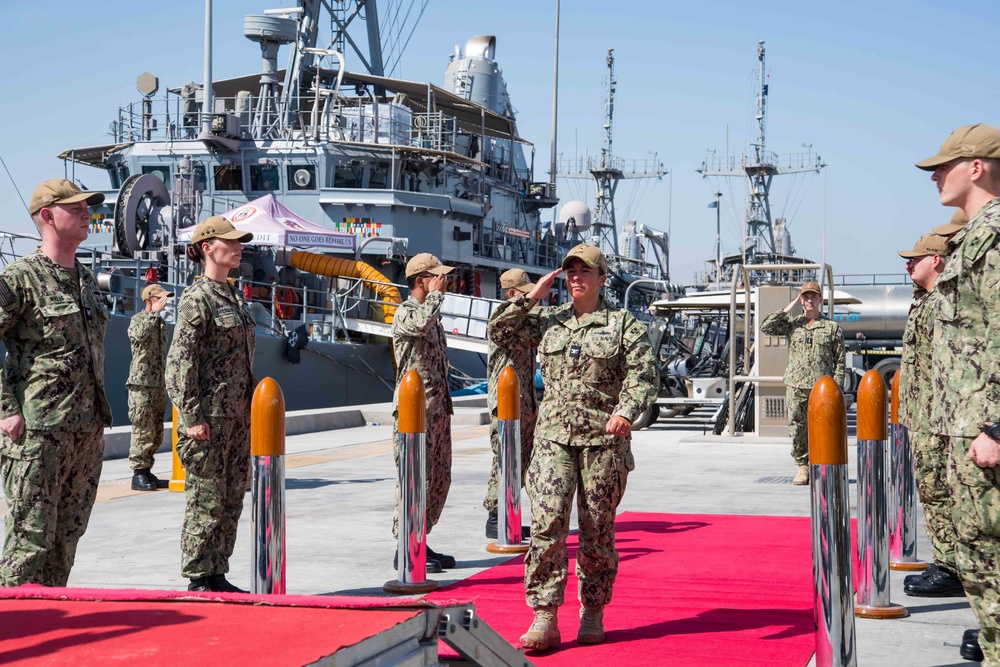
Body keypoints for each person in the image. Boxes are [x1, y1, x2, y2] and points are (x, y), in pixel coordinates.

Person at [488, 243, 657, 651]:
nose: (576, 277)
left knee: (597, 530)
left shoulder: (623, 325)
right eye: (570, 271)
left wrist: (626, 411)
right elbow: (499, 332)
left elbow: (644, 375)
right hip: (552, 440)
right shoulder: (548, 320)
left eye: (585, 271)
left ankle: (593, 611)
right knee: (547, 526)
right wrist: (533, 295)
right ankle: (544, 616)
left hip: (603, 441)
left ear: (602, 278)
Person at [0, 178, 112, 586]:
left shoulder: (84, 279)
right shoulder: (20, 279)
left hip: (84, 435)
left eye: (88, 207)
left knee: (65, 541)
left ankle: (47, 622)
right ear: (47, 216)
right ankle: (9, 631)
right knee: (28, 545)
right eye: (77, 208)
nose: (87, 214)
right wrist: (6, 411)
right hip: (39, 435)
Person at [916, 123, 1000, 663]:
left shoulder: (994, 235)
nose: (935, 176)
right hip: (959, 423)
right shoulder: (973, 235)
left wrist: (997, 425)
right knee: (976, 550)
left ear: (978, 168)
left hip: (983, 427)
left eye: (945, 165)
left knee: (989, 552)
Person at [166, 216, 256, 593]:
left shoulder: (232, 296)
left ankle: (218, 571)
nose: (238, 248)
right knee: (206, 499)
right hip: (209, 419)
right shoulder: (197, 298)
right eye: (230, 242)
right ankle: (199, 576)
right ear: (207, 248)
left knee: (232, 496)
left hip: (237, 417)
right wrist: (191, 418)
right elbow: (179, 364)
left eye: (239, 243)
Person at [896, 232, 964, 598]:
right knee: (931, 491)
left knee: (939, 492)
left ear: (936, 260)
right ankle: (947, 561)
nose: (909, 263)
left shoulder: (940, 303)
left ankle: (950, 568)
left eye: (916, 258)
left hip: (936, 419)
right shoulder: (924, 300)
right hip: (923, 415)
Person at [390, 253, 457, 573]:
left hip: (437, 410)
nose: (444, 282)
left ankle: (420, 538)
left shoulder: (433, 314)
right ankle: (405, 545)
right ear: (421, 281)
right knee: (414, 480)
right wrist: (437, 297)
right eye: (437, 277)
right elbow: (418, 325)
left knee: (438, 479)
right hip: (413, 414)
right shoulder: (406, 312)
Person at [759, 281, 845, 486]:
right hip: (796, 386)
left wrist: (836, 389)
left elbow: (840, 361)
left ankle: (823, 465)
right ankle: (803, 467)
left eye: (813, 296)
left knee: (824, 427)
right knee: (797, 428)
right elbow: (766, 326)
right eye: (805, 297)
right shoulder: (793, 325)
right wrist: (788, 307)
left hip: (821, 388)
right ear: (801, 300)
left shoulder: (831, 328)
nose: (809, 300)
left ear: (819, 300)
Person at [484, 268, 538, 539]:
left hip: (525, 405)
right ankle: (496, 517)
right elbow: (503, 327)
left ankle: (509, 512)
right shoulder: (502, 317)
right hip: (506, 407)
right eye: (526, 294)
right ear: (513, 294)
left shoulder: (525, 321)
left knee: (520, 462)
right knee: (504, 461)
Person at [127, 283, 174, 491]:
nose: (164, 302)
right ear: (149, 300)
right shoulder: (139, 320)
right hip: (141, 383)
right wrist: (152, 315)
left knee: (155, 430)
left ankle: (147, 470)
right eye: (160, 299)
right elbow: (137, 336)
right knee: (142, 428)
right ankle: (138, 473)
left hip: (157, 384)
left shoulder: (161, 323)